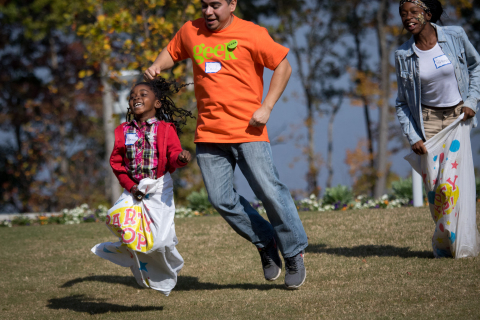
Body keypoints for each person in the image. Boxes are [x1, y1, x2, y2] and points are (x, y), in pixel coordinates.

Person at [144, 0, 308, 289]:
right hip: (209, 133)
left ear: (232, 4)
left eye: (215, 5)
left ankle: (293, 252)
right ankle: (265, 240)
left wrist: (267, 107)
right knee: (220, 199)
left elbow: (283, 67)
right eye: (204, 5)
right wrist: (158, 65)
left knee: (270, 192)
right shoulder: (190, 30)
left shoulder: (252, 33)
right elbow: (172, 51)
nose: (208, 11)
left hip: (249, 130)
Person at [91, 77, 193, 295]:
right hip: (134, 190)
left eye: (143, 94)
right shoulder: (122, 131)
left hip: (159, 187)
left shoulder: (166, 129)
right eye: (132, 96)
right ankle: (127, 249)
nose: (136, 97)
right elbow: (116, 163)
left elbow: (173, 155)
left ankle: (167, 262)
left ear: (157, 103)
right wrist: (130, 185)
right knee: (115, 217)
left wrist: (181, 158)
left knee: (160, 242)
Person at [395, 0, 480, 257]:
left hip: (457, 119)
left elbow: (476, 67)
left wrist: (472, 101)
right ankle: (446, 242)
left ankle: (457, 245)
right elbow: (401, 103)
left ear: (427, 14)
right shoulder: (403, 54)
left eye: (413, 12)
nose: (407, 17)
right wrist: (412, 136)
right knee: (435, 192)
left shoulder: (455, 36)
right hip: (428, 123)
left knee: (450, 185)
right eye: (403, 14)